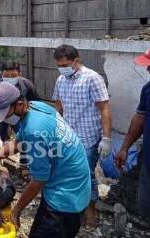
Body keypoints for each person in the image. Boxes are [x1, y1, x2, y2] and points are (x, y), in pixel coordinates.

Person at [0, 81, 91, 238]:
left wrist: (16, 211)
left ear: (20, 104)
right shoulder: (36, 106)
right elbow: (18, 142)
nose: (3, 120)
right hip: (78, 183)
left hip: (65, 195)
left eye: (5, 114)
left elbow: (38, 180)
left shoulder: (34, 131)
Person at [52, 44, 112, 227]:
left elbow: (104, 109)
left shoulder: (92, 78)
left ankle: (90, 208)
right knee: (67, 172)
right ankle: (73, 206)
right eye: (59, 65)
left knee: (86, 174)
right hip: (68, 137)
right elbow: (59, 107)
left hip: (88, 138)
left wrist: (107, 138)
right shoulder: (61, 80)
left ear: (76, 61)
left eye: (64, 65)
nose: (61, 68)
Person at [115, 48, 150, 221]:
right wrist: (124, 148)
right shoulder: (148, 89)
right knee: (146, 207)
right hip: (149, 162)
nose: (148, 69)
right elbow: (139, 118)